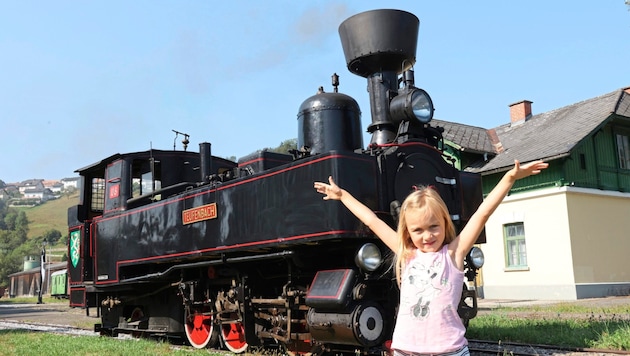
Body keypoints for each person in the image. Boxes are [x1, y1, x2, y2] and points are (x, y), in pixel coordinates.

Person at [314, 159, 549, 356]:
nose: (427, 235)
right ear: (408, 232)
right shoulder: (406, 254)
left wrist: (509, 178)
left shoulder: (453, 254)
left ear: (445, 224)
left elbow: (482, 214)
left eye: (434, 227)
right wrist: (342, 195)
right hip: (407, 350)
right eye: (418, 230)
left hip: (450, 350)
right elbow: (372, 221)